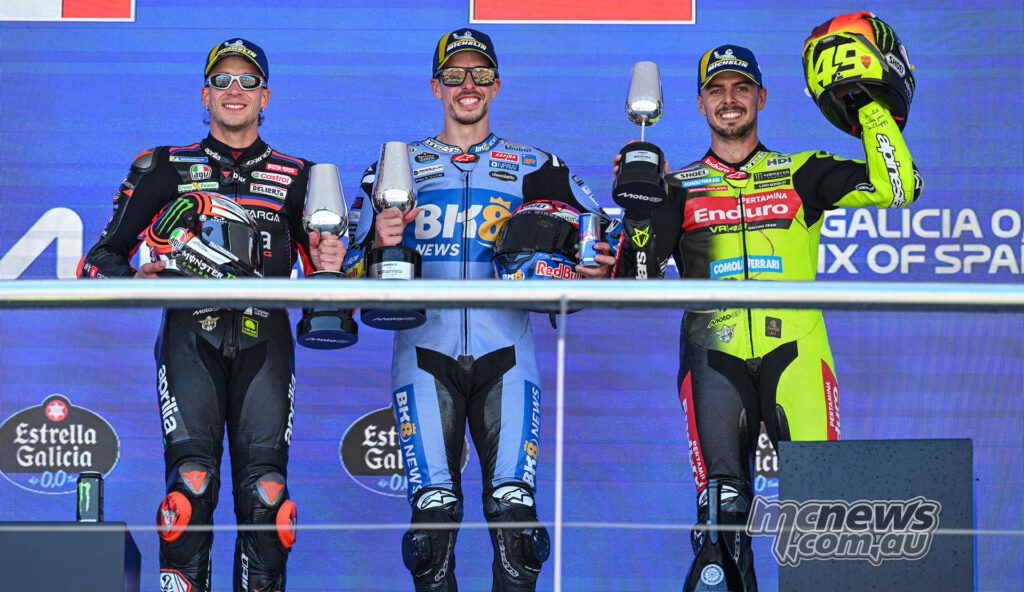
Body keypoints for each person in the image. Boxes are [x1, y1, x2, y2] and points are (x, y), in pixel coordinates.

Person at [614, 35, 922, 590]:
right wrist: (639, 207)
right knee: (721, 523)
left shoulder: (802, 170)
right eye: (716, 90)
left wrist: (868, 104)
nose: (729, 99)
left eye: (741, 88)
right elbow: (634, 276)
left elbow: (898, 186)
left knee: (821, 514)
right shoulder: (677, 187)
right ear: (701, 104)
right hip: (714, 358)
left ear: (761, 98)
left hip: (798, 355)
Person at [343, 28, 614, 592]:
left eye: (481, 74)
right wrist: (375, 242)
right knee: (431, 533)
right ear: (436, 86)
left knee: (518, 530)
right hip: (422, 353)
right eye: (456, 75)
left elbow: (600, 240)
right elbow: (343, 271)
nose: (469, 85)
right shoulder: (396, 164)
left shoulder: (537, 165)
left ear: (497, 84)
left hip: (508, 355)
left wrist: (595, 266)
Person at [77, 38, 345, 592]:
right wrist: (135, 279)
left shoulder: (302, 175)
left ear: (266, 97)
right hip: (188, 340)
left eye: (248, 81)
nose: (235, 90)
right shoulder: (164, 166)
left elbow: (330, 268)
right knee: (189, 490)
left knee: (269, 498)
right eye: (223, 80)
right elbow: (98, 261)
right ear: (205, 93)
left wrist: (331, 261)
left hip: (265, 341)